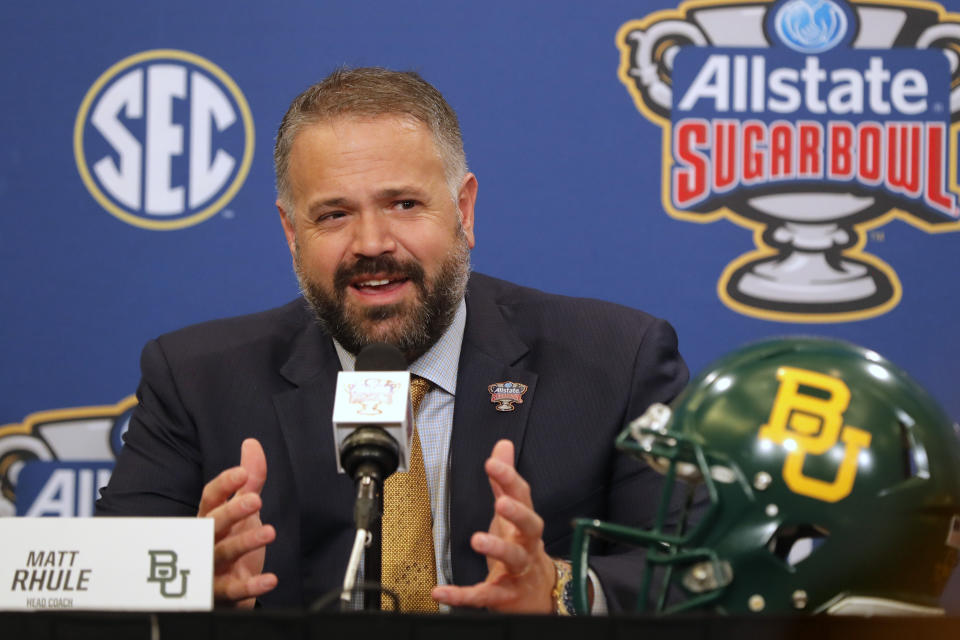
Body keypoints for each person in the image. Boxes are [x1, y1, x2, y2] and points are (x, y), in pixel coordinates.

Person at [96, 67, 689, 613]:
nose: (372, 243)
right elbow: (104, 586)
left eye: (403, 204)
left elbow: (696, 573)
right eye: (333, 215)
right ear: (290, 232)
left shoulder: (616, 359)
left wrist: (557, 590)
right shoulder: (196, 381)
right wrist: (187, 588)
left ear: (464, 210)